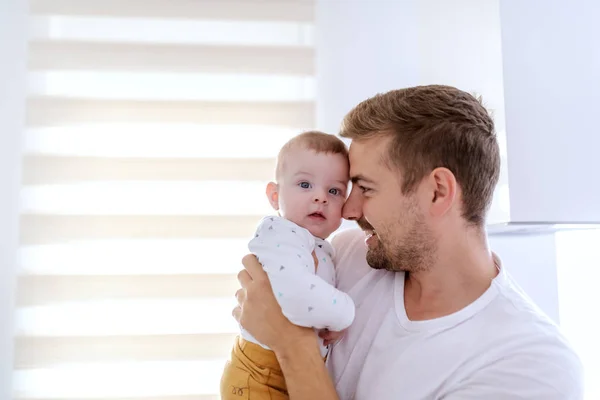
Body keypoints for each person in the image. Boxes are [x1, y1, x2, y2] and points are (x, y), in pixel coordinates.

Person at [232, 85, 584, 399]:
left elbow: (283, 331)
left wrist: (293, 343)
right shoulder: (349, 256)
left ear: (437, 192)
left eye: (366, 188)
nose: (349, 209)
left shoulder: (531, 367)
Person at [220, 131, 356, 400]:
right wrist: (345, 313)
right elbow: (296, 295)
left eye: (334, 190)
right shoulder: (281, 233)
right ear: (274, 195)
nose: (321, 197)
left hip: (287, 371)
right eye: (305, 185)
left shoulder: (322, 246)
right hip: (261, 374)